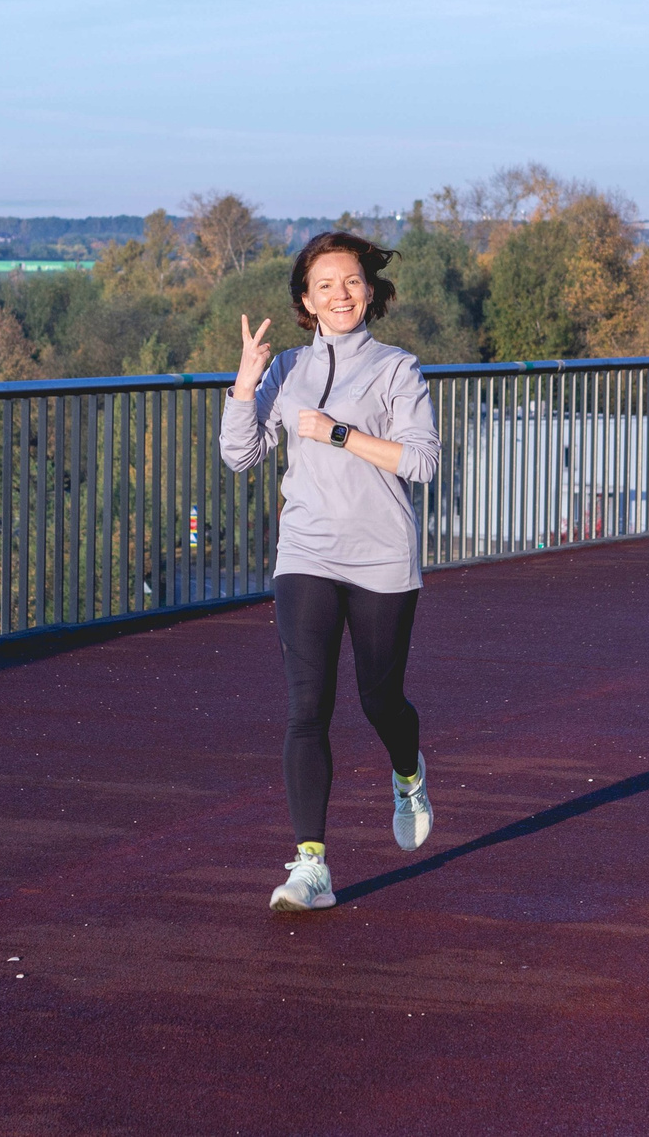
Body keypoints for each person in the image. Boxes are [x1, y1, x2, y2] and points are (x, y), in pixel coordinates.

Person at [221, 231, 443, 913]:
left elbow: (423, 462)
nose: (339, 294)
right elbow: (241, 454)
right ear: (305, 300)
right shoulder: (286, 367)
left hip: (381, 554)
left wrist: (339, 432)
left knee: (380, 699)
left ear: (370, 290)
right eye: (324, 285)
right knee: (307, 704)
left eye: (350, 281)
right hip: (307, 553)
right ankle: (310, 863)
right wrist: (246, 382)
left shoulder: (397, 369)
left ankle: (408, 771)